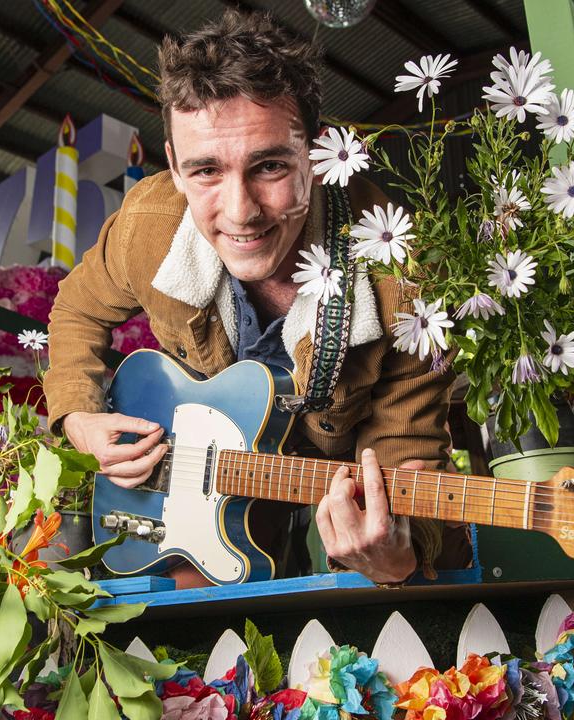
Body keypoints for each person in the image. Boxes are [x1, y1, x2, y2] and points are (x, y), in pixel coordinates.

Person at [43, 9, 463, 587]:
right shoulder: (147, 224)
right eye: (206, 171)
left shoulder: (401, 270)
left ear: (315, 157)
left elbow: (404, 450)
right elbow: (77, 310)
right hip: (205, 493)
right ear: (173, 164)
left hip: (331, 472)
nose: (240, 212)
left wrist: (395, 558)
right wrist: (79, 416)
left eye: (268, 166)